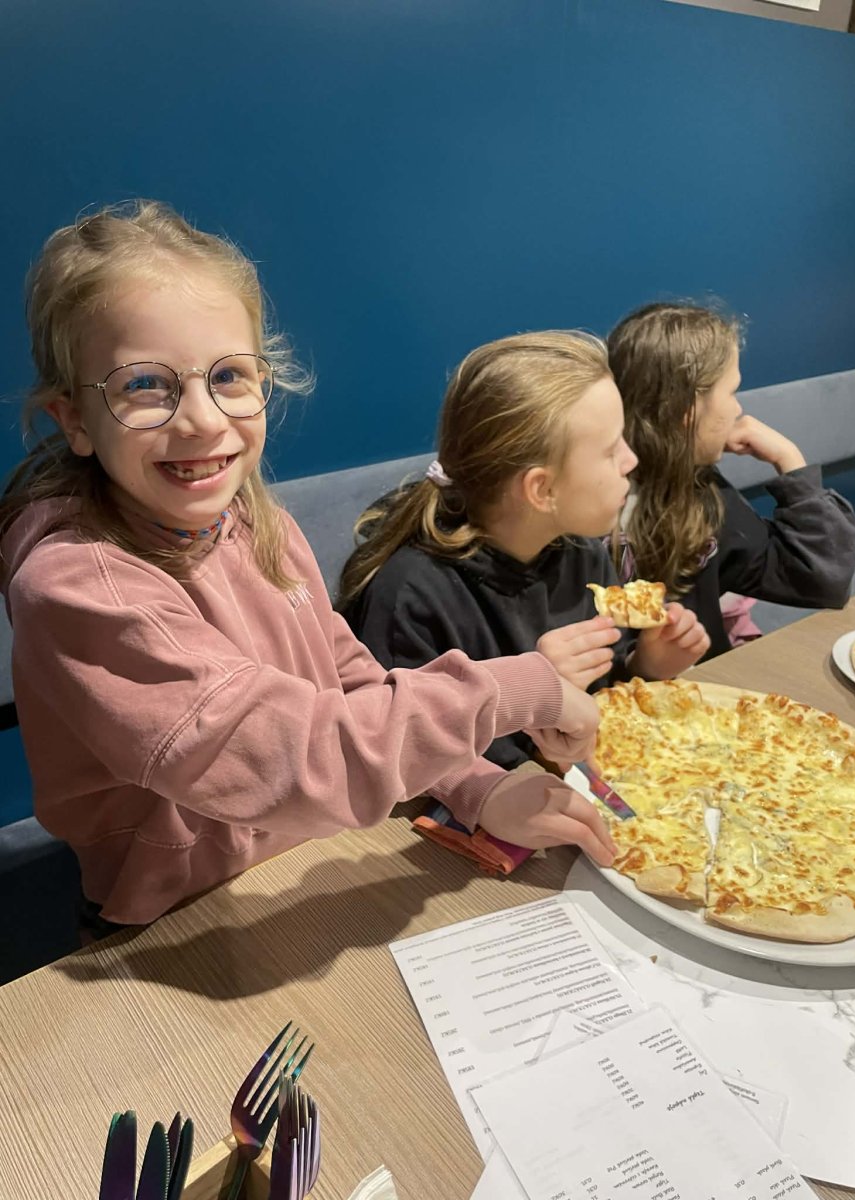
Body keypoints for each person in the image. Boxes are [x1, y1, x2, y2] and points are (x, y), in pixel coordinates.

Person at [0, 202, 615, 930]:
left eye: (229, 376)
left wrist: (478, 786)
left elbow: (348, 682)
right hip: (178, 920)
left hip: (307, 862)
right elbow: (294, 760)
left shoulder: (258, 521)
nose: (201, 419)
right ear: (74, 419)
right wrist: (517, 690)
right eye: (144, 385)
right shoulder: (80, 590)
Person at [338, 331, 710, 775]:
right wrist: (531, 695)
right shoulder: (412, 597)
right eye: (612, 449)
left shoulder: (585, 556)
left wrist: (646, 666)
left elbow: (602, 704)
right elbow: (408, 766)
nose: (631, 460)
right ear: (541, 489)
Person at [606, 302, 855, 659]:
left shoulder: (700, 491)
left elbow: (822, 580)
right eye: (731, 392)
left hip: (704, 683)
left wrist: (790, 462)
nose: (737, 409)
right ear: (687, 409)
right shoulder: (592, 509)